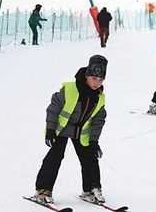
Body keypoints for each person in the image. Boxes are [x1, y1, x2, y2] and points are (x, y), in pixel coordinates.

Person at [33, 55, 108, 205]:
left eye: (100, 80)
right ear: (87, 75)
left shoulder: (99, 97)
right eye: (94, 78)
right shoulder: (70, 89)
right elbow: (53, 109)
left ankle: (91, 189)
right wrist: (50, 130)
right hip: (61, 129)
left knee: (90, 157)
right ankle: (43, 190)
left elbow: (98, 121)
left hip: (81, 132)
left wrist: (94, 141)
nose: (97, 83)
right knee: (55, 156)